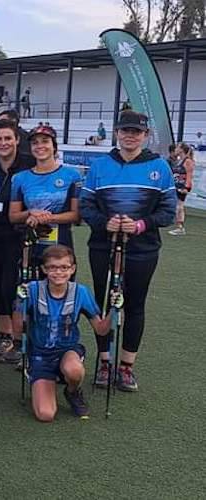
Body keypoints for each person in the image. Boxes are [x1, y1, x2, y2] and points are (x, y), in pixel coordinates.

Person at [80, 110, 176, 392]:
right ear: (117, 133)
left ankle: (126, 367)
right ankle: (105, 361)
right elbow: (86, 205)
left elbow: (168, 210)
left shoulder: (159, 167)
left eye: (136, 132)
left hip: (142, 249)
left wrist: (142, 224)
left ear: (145, 136)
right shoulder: (100, 165)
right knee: (102, 303)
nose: (130, 136)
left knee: (134, 305)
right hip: (102, 245)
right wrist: (104, 223)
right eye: (125, 131)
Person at [8, 124, 82, 364]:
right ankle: (22, 347)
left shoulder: (71, 175)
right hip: (30, 248)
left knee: (59, 300)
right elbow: (13, 215)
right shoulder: (20, 178)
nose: (40, 146)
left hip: (60, 250)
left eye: (45, 142)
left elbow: (75, 215)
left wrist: (47, 217)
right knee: (24, 297)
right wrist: (30, 213)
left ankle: (58, 348)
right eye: (36, 142)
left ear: (54, 146)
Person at [22, 245, 110, 421]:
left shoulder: (81, 292)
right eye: (53, 267)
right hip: (40, 355)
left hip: (67, 351)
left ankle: (72, 391)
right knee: (46, 415)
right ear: (44, 269)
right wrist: (19, 302)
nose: (58, 272)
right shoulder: (31, 289)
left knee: (74, 370)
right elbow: (18, 329)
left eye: (64, 267)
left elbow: (101, 329)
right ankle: (44, 380)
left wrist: (116, 309)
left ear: (72, 269)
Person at [0, 119, 34, 361]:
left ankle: (19, 339)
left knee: (11, 287)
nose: (2, 143)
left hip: (18, 235)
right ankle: (4, 334)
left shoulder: (28, 164)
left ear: (16, 140)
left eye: (7, 138)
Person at [168, 143, 195, 236]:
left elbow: (189, 176)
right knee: (177, 206)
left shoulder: (188, 161)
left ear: (181, 150)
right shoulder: (179, 160)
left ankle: (180, 227)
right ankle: (178, 226)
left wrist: (186, 188)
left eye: (177, 148)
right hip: (176, 185)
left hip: (182, 187)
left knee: (179, 206)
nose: (175, 149)